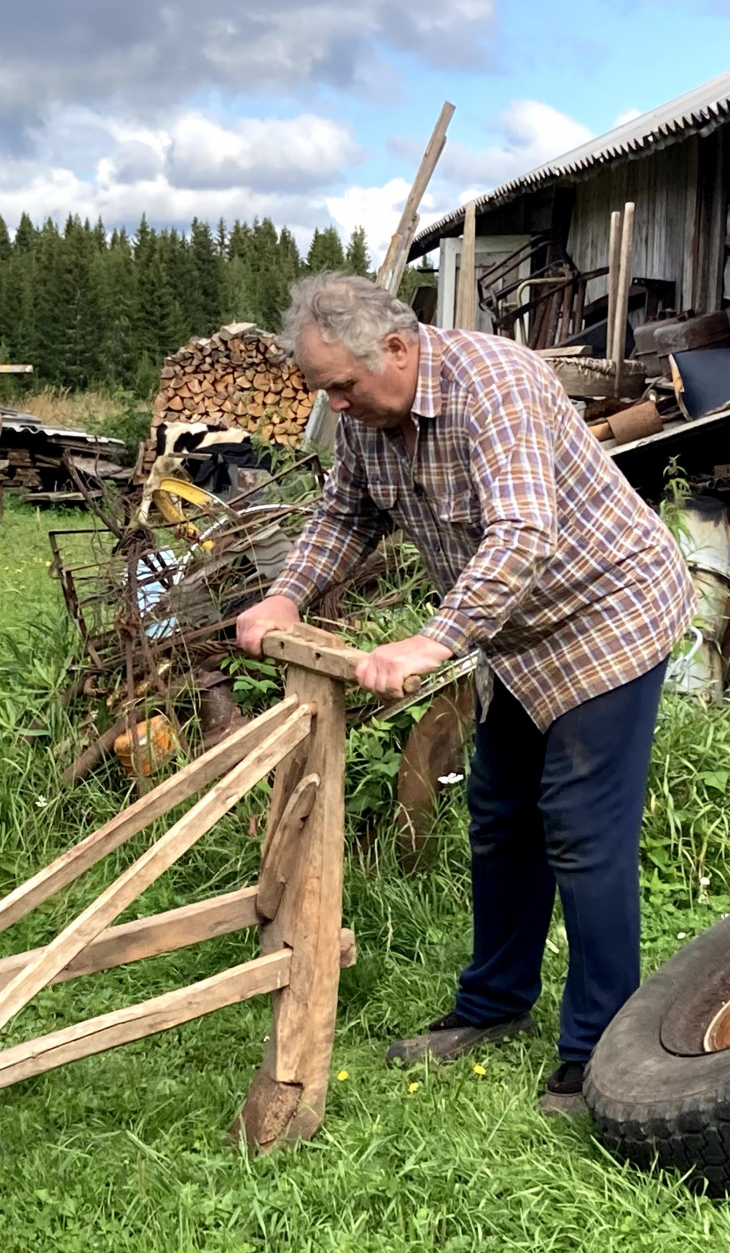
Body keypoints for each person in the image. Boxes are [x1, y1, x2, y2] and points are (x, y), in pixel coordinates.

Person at [236, 273, 696, 1099]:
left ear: (400, 349)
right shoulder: (368, 421)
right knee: (500, 813)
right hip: (516, 635)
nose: (334, 404)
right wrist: (286, 593)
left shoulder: (497, 385)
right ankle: (493, 1004)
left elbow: (523, 532)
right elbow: (347, 515)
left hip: (607, 612)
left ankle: (600, 1053)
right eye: (322, 388)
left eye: (342, 384)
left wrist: (432, 639)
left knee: (582, 830)